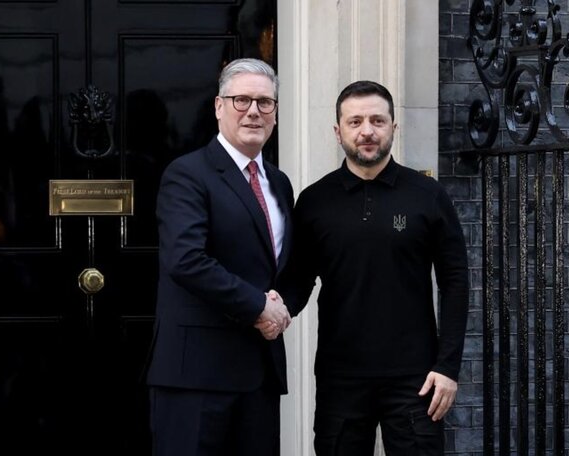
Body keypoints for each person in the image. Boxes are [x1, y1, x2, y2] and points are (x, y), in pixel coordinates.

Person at [273, 80, 470, 455]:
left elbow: (455, 281)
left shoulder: (428, 196)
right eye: (355, 121)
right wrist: (271, 309)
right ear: (338, 131)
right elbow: (298, 279)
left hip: (417, 379)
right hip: (340, 376)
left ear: (394, 127)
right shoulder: (314, 201)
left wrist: (448, 367)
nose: (367, 131)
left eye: (378, 121)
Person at [146, 57, 294, 456]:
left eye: (265, 102)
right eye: (241, 99)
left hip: (259, 373)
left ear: (276, 112)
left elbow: (282, 268)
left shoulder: (279, 183)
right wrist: (258, 307)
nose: (253, 111)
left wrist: (281, 308)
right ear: (218, 106)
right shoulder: (188, 174)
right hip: (196, 377)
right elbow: (186, 260)